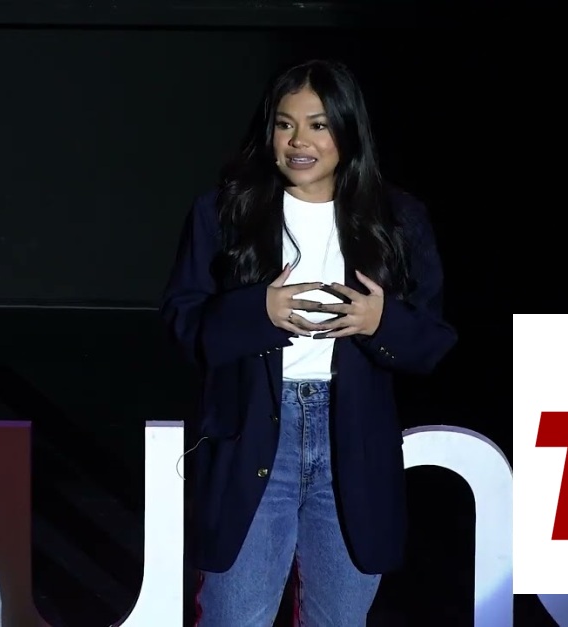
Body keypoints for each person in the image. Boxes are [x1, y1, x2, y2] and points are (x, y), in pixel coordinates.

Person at [160, 59, 457, 626]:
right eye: (285, 124)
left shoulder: (397, 218)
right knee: (234, 617)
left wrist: (380, 322)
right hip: (252, 440)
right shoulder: (224, 212)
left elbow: (433, 342)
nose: (300, 141)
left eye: (318, 125)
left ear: (347, 131)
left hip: (353, 447)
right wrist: (258, 312)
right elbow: (182, 323)